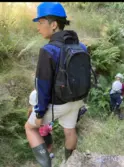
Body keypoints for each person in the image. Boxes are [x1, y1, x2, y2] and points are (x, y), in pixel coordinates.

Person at [24, 2, 87, 167]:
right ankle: (69, 163)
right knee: (69, 130)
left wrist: (39, 114)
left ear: (53, 25)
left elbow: (43, 86)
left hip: (58, 103)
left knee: (30, 128)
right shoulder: (80, 46)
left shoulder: (48, 50)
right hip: (77, 101)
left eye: (40, 22)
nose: (38, 27)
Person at [28, 89, 54, 159]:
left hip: (38, 135)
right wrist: (51, 126)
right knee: (49, 145)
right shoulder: (46, 114)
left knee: (42, 148)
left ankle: (43, 158)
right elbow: (49, 127)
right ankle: (47, 157)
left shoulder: (31, 113)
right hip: (46, 135)